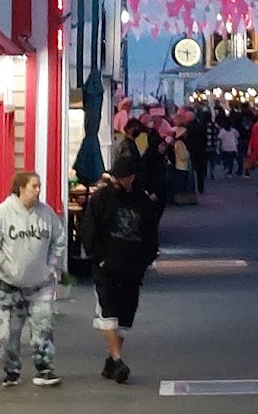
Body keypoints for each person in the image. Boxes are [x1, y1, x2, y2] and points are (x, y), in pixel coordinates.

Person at [0, 172, 66, 387]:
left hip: (40, 284)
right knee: (7, 333)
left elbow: (59, 240)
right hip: (6, 285)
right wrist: (5, 265)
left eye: (39, 186)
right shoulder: (2, 213)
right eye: (34, 186)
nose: (38, 190)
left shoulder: (46, 214)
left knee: (43, 327)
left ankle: (45, 368)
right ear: (21, 188)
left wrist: (52, 265)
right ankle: (12, 370)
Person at [80, 155, 160, 385]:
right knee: (108, 314)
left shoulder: (142, 201)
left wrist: (145, 261)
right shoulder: (101, 199)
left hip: (132, 269)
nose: (117, 182)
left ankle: (112, 361)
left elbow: (151, 233)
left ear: (131, 178)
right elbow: (89, 229)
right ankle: (118, 361)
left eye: (122, 178)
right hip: (106, 268)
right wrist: (99, 258)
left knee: (124, 320)